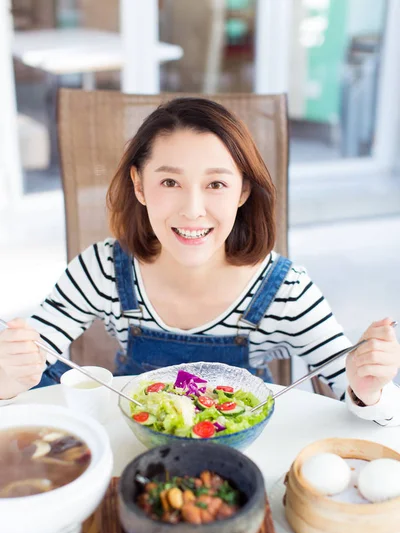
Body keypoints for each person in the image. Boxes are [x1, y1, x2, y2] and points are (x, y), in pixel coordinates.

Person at [0, 98, 399, 425]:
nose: (193, 211)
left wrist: (368, 388)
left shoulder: (285, 289)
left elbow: (368, 401)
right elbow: (32, 369)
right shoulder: (102, 269)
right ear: (139, 185)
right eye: (170, 182)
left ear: (243, 191)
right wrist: (8, 375)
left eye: (216, 184)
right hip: (130, 446)